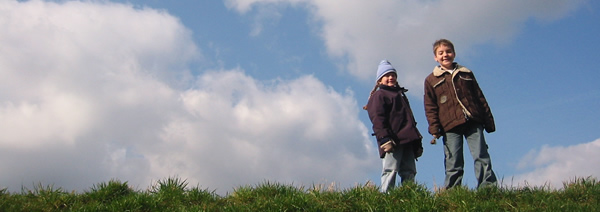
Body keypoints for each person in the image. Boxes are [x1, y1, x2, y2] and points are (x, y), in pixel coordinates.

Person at [424, 39, 498, 189]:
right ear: (435, 57)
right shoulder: (431, 79)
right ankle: (452, 190)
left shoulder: (466, 73)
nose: (445, 55)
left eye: (448, 51)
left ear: (454, 53)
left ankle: (487, 187)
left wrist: (488, 121)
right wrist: (434, 127)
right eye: (441, 53)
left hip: (473, 120)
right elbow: (430, 106)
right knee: (453, 159)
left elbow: (480, 97)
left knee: (481, 154)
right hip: (449, 124)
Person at [364, 59, 423, 193]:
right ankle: (386, 196)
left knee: (409, 170)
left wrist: (417, 142)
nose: (391, 78)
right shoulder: (379, 95)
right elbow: (377, 119)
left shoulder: (400, 95)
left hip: (407, 139)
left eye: (393, 75)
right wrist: (384, 138)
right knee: (390, 168)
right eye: (387, 75)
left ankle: (409, 196)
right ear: (379, 80)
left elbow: (410, 120)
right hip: (392, 139)